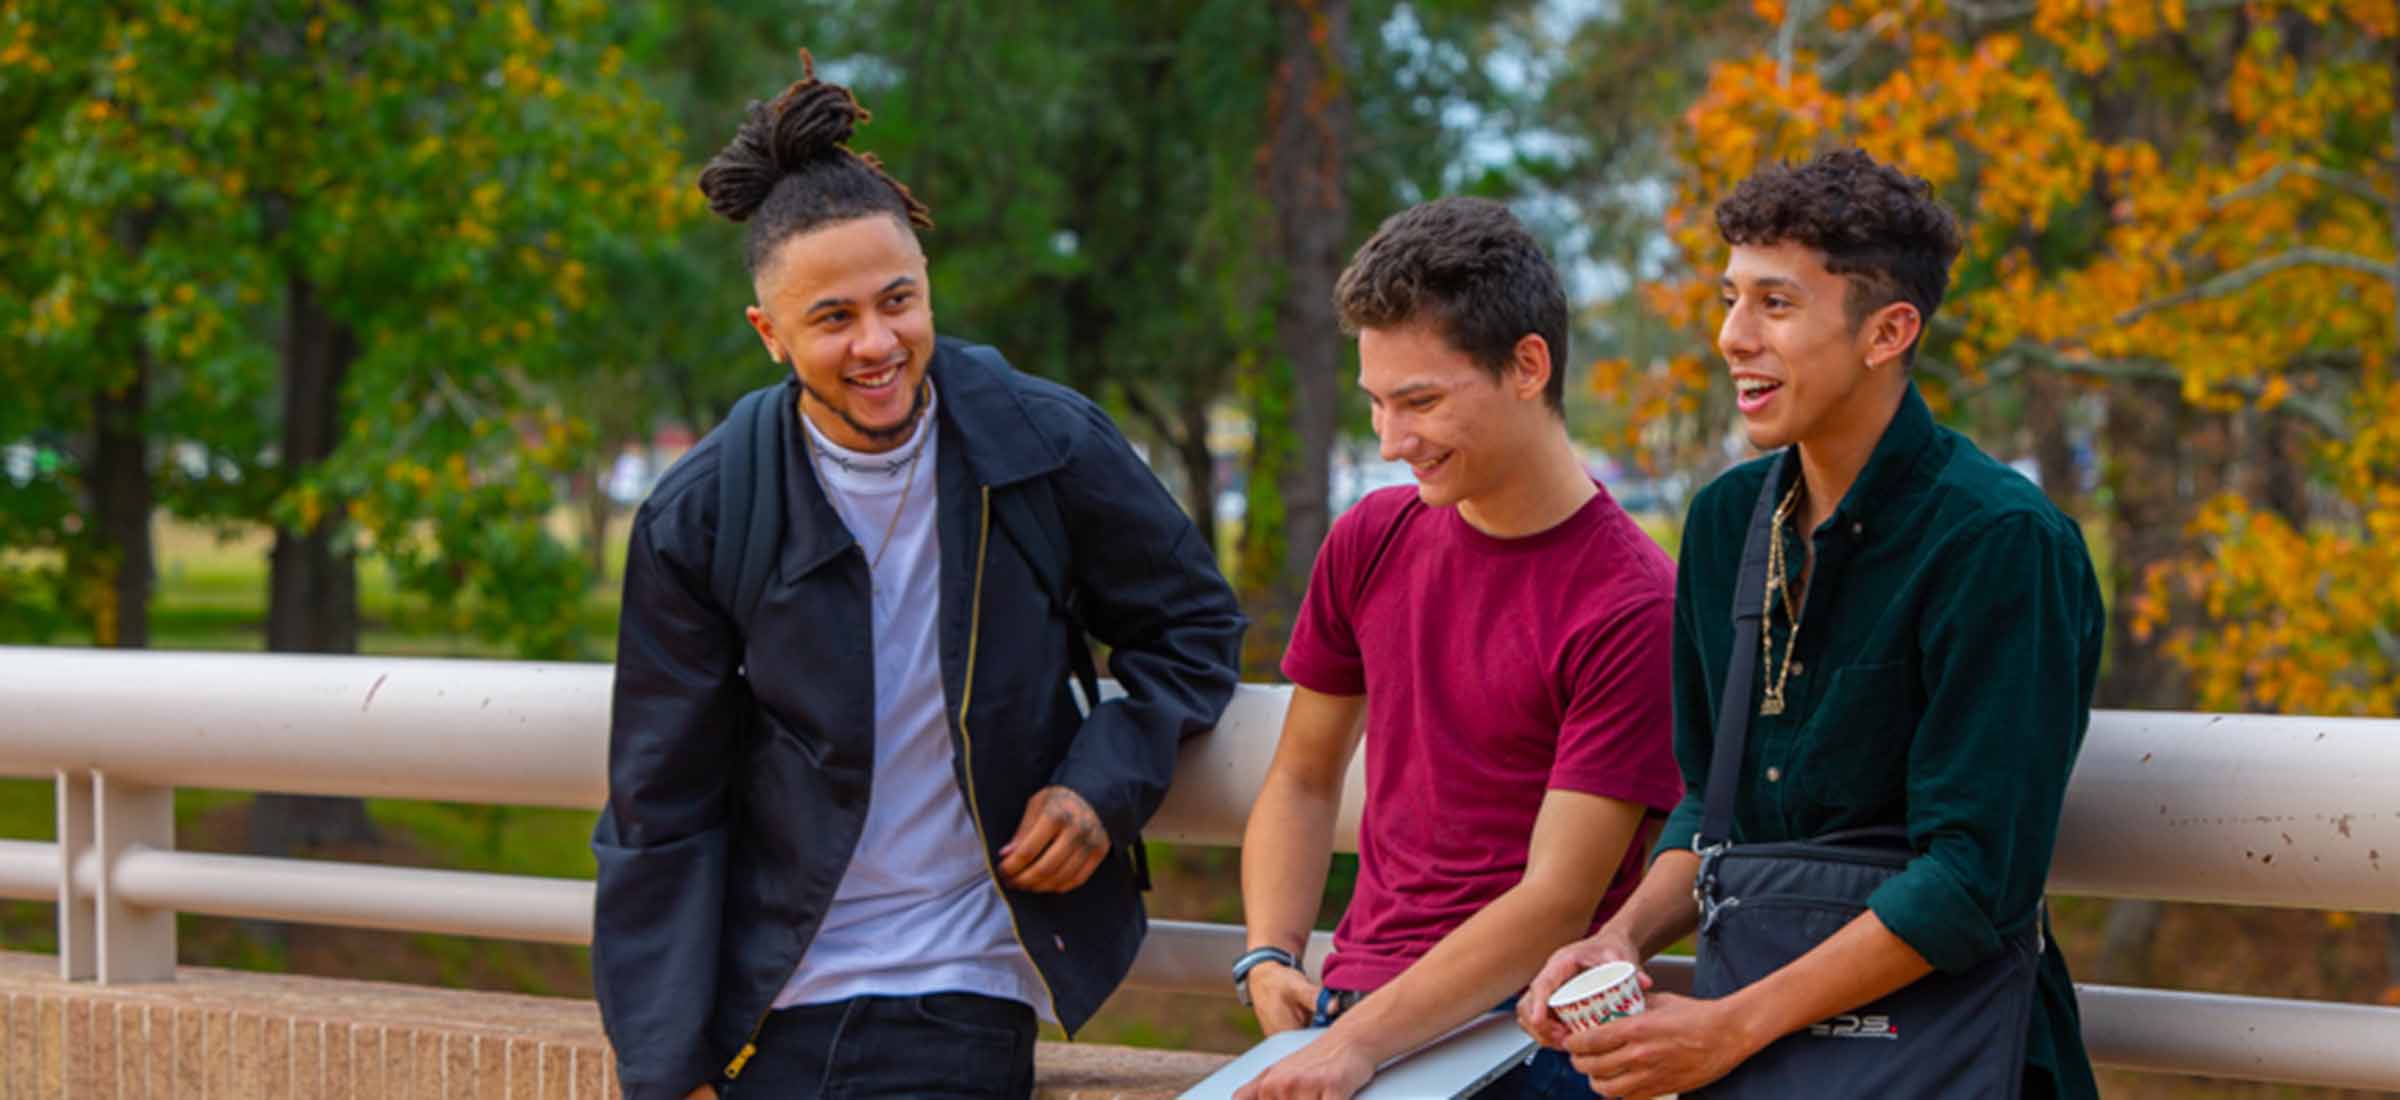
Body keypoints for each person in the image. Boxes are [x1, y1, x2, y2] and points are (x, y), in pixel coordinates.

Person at [591, 57, 1246, 1100]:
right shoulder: (703, 512)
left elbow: (1196, 629)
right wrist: (666, 1069)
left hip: (961, 982)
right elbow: (658, 808)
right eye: (834, 317)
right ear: (771, 334)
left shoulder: (1043, 442)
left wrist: (1103, 784)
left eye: (899, 300)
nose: (878, 342)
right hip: (766, 995)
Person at [1520, 147, 2105, 1100]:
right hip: (1764, 1058)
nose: (1733, 336)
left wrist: (1727, 1029)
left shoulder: (2001, 542)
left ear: (1888, 332)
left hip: (1946, 1061)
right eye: (1729, 297)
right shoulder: (1723, 525)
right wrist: (1617, 938)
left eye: (1775, 304)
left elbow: (1972, 881)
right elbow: (1713, 810)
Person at [1233, 197, 1685, 1100]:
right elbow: (1305, 776)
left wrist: (1354, 1043)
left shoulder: (1633, 603)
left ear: (1527, 366)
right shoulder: (1372, 538)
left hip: (1529, 1028)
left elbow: (1556, 900)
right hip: (1353, 1007)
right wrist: (1267, 952)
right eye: (1377, 404)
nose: (1393, 442)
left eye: (1422, 402)